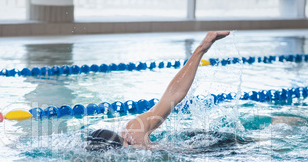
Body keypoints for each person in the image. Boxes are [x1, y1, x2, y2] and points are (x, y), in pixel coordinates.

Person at [86, 31, 231, 152]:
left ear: (123, 144)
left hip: (203, 142)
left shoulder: (134, 131)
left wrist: (201, 49)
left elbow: (173, 95)